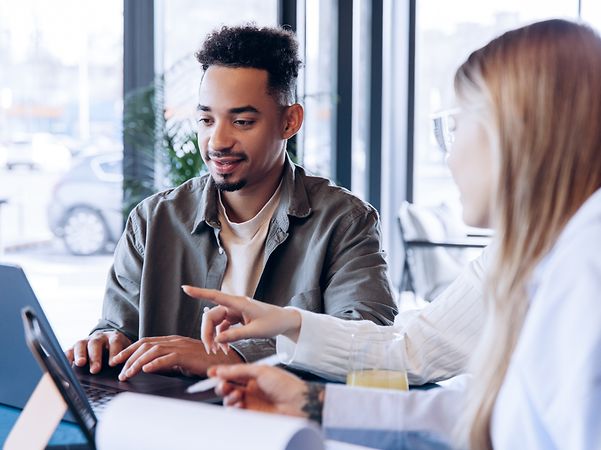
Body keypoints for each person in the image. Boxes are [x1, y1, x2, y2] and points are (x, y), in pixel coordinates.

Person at [196, 19, 601, 449]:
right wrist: (312, 397)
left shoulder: (586, 268)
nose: (449, 155)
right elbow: (448, 377)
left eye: (458, 124)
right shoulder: (536, 255)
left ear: (520, 134)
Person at [65, 25, 397, 380]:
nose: (217, 140)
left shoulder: (344, 221)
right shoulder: (153, 220)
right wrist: (104, 341)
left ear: (290, 121)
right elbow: (118, 329)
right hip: (162, 423)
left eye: (241, 121)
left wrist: (235, 356)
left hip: (279, 426)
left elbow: (367, 341)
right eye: (206, 119)